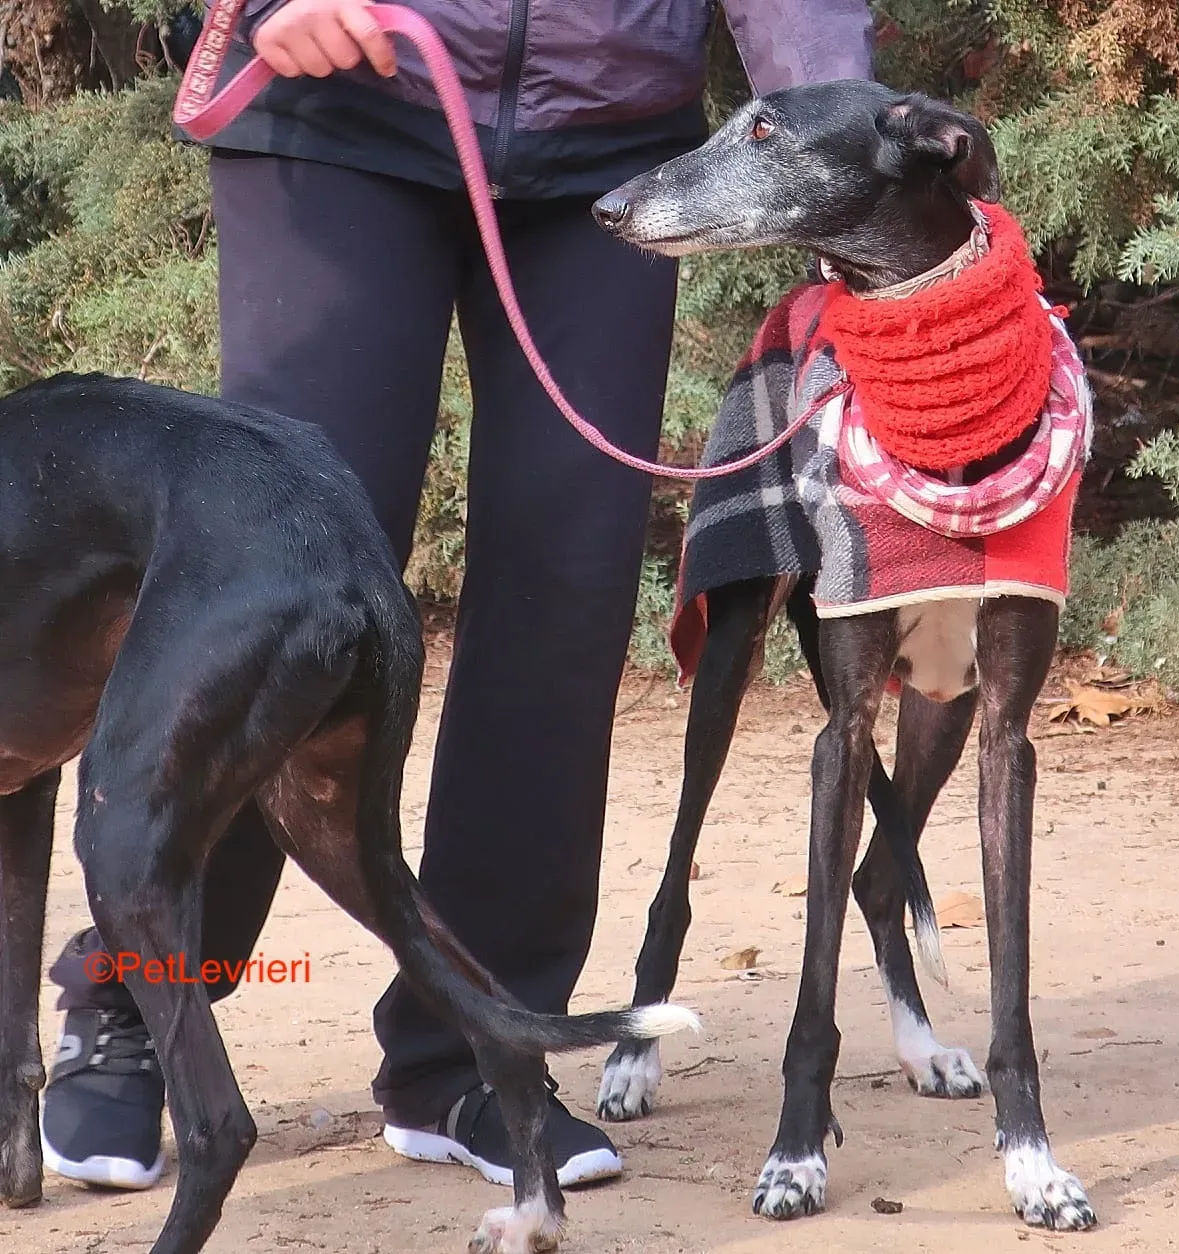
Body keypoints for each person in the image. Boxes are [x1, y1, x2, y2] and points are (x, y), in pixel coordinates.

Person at [41, 0, 872, 1194]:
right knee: (276, 601)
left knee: (565, 599)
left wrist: (831, 160)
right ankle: (141, 993)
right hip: (343, 116)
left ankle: (482, 1047)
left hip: (609, 145)